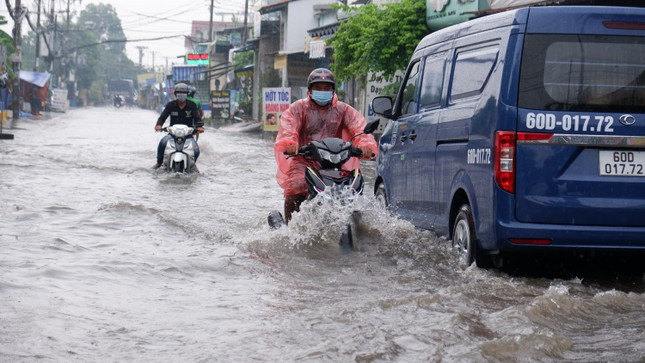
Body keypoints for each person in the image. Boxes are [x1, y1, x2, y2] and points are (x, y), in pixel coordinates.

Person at [274, 68, 378, 223]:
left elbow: (359, 127)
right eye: (318, 88)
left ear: (333, 90)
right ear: (310, 90)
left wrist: (366, 145)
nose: (322, 91)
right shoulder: (298, 108)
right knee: (296, 185)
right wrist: (290, 143)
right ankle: (290, 228)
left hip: (335, 161)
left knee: (354, 189)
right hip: (304, 160)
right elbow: (289, 125)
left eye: (327, 88)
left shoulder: (343, 109)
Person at [153, 83, 204, 169]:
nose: (181, 94)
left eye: (184, 92)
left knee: (196, 150)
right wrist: (158, 125)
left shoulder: (192, 105)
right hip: (172, 134)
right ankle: (159, 163)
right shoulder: (170, 105)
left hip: (188, 135)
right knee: (162, 143)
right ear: (176, 94)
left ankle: (192, 165)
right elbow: (162, 117)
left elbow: (197, 118)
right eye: (179, 92)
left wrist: (200, 127)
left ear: (187, 94)